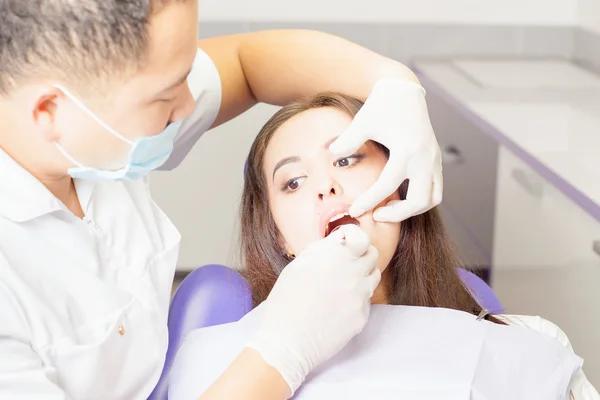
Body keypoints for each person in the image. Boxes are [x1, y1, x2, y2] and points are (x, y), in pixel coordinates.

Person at [0, 1, 444, 399]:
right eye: (292, 181)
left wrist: (393, 83)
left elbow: (246, 64)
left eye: (346, 159)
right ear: (49, 113)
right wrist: (284, 352)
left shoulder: (94, 133)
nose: (190, 101)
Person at [170, 93, 600, 399]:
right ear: (279, 236)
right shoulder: (218, 364)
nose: (326, 186)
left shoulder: (530, 344)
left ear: (399, 186)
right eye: (293, 182)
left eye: (346, 159)